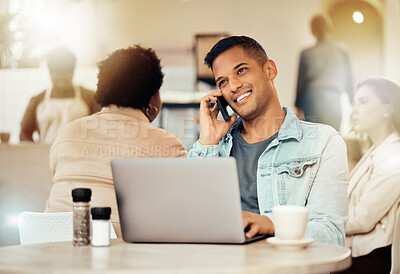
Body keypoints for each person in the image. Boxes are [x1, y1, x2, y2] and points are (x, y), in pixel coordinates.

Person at [189, 36, 348, 245]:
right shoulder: (214, 146)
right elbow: (191, 218)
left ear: (270, 70)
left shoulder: (324, 142)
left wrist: (271, 224)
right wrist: (207, 144)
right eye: (223, 82)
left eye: (241, 70)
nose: (234, 86)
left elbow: (331, 235)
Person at [45, 45, 188, 237]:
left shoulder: (67, 133)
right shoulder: (167, 145)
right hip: (118, 257)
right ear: (153, 98)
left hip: (51, 249)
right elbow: (187, 205)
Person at [336, 78, 400, 274]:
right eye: (354, 103)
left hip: (371, 259)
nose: (354, 110)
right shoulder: (375, 151)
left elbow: (363, 218)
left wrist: (318, 224)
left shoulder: (394, 156)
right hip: (356, 253)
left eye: (363, 102)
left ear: (388, 109)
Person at [20, 48, 101, 144]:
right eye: (57, 80)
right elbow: (24, 132)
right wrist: (34, 151)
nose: (61, 85)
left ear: (73, 73)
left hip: (80, 156)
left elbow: (102, 128)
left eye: (66, 79)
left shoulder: (89, 97)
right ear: (50, 74)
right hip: (45, 155)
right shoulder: (37, 100)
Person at [295, 14, 354, 131]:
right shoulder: (341, 49)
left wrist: (297, 106)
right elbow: (349, 78)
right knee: (333, 137)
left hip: (311, 99)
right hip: (333, 97)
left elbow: (300, 82)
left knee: (313, 138)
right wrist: (353, 101)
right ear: (329, 28)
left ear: (312, 31)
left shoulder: (306, 53)